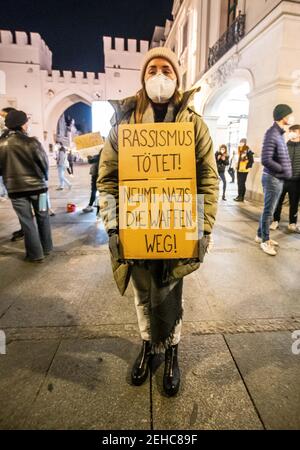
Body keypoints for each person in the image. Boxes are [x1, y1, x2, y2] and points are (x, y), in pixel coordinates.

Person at [98, 47, 219, 397]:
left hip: (177, 228)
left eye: (166, 69)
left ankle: (173, 350)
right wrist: (113, 225)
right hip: (135, 228)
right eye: (152, 69)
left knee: (171, 291)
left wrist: (204, 226)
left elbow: (208, 178)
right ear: (143, 77)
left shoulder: (194, 124)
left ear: (177, 78)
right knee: (141, 293)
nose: (159, 75)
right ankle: (149, 345)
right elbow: (107, 178)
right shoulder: (124, 125)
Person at [0, 110, 53, 262]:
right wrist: (45, 178)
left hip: (16, 191)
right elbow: (43, 163)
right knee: (43, 217)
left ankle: (36, 255)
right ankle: (47, 248)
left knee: (27, 221)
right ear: (23, 124)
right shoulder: (32, 142)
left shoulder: (1, 144)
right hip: (40, 190)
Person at [255, 104, 293, 256]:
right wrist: (282, 170)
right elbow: (266, 159)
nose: (292, 117)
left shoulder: (279, 134)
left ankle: (259, 235)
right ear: (283, 116)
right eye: (290, 115)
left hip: (276, 178)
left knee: (268, 209)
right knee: (268, 211)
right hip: (272, 178)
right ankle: (265, 241)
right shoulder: (272, 134)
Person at [270, 124, 300, 233]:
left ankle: (292, 223)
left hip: (296, 180)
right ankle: (275, 220)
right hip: (283, 179)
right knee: (278, 200)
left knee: (294, 202)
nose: (291, 133)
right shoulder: (284, 145)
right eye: (290, 131)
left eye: (294, 131)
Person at [0, 107, 25, 240]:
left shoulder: (14, 135)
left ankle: (26, 230)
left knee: (24, 209)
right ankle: (25, 228)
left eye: (4, 117)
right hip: (11, 177)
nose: (2, 120)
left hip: (18, 178)